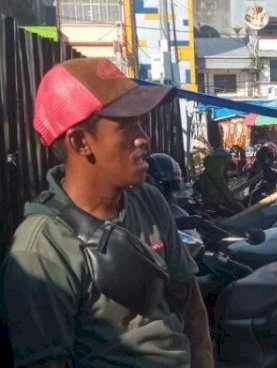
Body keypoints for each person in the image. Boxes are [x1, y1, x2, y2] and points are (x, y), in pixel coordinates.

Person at [1, 58, 214, 368]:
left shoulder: (148, 201)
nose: (143, 137)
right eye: (125, 125)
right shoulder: (41, 250)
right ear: (80, 142)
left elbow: (190, 306)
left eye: (140, 122)